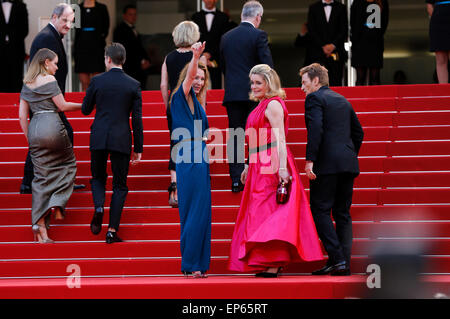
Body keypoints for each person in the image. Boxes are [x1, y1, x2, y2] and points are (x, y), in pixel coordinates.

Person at [228, 64, 323, 277]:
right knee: (261, 213)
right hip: (259, 162)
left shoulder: (273, 105)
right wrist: (246, 164)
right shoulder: (261, 105)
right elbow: (255, 139)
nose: (254, 86)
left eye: (258, 83)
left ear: (269, 83)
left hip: (271, 162)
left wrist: (281, 168)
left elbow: (280, 138)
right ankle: (269, 261)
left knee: (271, 213)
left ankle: (274, 262)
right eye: (252, 83)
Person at [300, 63, 364, 276]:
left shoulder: (314, 98)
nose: (302, 88)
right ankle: (341, 262)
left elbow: (315, 129)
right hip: (347, 163)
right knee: (342, 213)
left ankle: (337, 259)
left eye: (304, 82)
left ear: (316, 81)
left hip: (326, 165)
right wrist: (348, 153)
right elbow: (359, 132)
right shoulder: (342, 99)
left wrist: (310, 159)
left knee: (320, 210)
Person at [81, 42, 144, 244]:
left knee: (98, 177)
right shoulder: (133, 84)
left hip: (99, 136)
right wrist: (139, 148)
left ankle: (99, 206)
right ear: (123, 60)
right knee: (120, 186)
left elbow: (85, 109)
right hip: (121, 138)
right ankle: (111, 230)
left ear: (108, 59)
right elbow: (137, 120)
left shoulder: (97, 81)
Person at [20, 3, 85, 194]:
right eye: (64, 20)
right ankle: (60, 182)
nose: (67, 25)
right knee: (64, 135)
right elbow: (38, 73)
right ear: (54, 17)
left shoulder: (52, 36)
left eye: (70, 21)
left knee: (47, 140)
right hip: (47, 103)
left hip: (48, 102)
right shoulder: (47, 38)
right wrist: (52, 102)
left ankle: (30, 182)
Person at [18, 48, 82, 243]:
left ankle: (40, 229)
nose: (56, 67)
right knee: (68, 166)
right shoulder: (50, 81)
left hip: (35, 129)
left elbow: (22, 115)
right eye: (55, 63)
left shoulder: (27, 84)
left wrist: (30, 138)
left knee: (40, 180)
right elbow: (62, 106)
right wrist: (85, 105)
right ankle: (57, 203)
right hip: (53, 127)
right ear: (46, 62)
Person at [220, 0, 273, 193]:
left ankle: (236, 179)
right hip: (254, 94)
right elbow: (267, 67)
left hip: (233, 93)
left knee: (236, 135)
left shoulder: (226, 37)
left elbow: (224, 67)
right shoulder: (258, 35)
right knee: (256, 135)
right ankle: (254, 176)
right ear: (258, 17)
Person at [170, 42, 211, 278]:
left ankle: (194, 263)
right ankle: (193, 263)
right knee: (195, 210)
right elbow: (187, 81)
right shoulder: (180, 97)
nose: (198, 82)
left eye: (202, 79)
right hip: (189, 157)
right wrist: (195, 58)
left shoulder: (198, 104)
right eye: (195, 77)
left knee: (200, 211)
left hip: (198, 156)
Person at [160, 21, 202, 208]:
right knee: (194, 143)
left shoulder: (168, 57)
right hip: (193, 105)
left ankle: (174, 189)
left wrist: (168, 105)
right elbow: (200, 82)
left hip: (174, 105)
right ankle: (191, 184)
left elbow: (163, 84)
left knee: (175, 143)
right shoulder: (196, 58)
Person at [306, 0, 348, 86]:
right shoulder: (313, 8)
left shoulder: (341, 7)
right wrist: (323, 46)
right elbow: (311, 30)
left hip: (336, 53)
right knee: (318, 82)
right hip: (318, 54)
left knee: (336, 81)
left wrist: (333, 45)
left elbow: (344, 29)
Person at [191, 0, 232, 89]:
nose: (209, 1)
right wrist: (202, 54)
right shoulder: (195, 17)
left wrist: (210, 54)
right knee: (198, 86)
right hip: (199, 57)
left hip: (216, 59)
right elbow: (194, 39)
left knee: (216, 86)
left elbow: (224, 39)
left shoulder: (223, 17)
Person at [351, 0, 389, 86]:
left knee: (375, 77)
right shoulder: (357, 2)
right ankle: (359, 99)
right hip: (359, 45)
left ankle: (376, 99)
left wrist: (375, 35)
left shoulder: (382, 2)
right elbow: (353, 23)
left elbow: (384, 22)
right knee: (360, 78)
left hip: (375, 44)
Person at [74, 0, 110, 91]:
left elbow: (105, 29)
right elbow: (76, 29)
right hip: (81, 48)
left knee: (97, 81)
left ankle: (98, 104)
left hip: (97, 47)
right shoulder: (77, 9)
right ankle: (86, 104)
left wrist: (97, 38)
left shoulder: (102, 8)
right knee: (84, 82)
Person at [113, 4, 151, 89]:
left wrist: (146, 60)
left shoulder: (134, 30)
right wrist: (140, 62)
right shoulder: (120, 30)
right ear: (124, 15)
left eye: (135, 14)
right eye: (130, 14)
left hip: (138, 68)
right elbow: (125, 49)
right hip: (130, 67)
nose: (133, 17)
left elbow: (139, 47)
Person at [0, 0, 28, 93]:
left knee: (16, 78)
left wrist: (12, 39)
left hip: (16, 49)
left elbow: (25, 29)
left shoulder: (21, 6)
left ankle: (16, 104)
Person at [426, 0, 450, 83]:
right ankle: (443, 92)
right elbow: (429, 6)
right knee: (441, 59)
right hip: (438, 20)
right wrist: (438, 20)